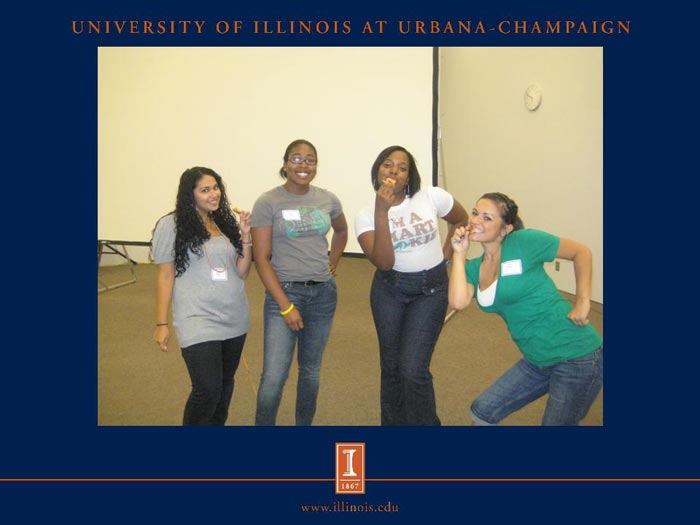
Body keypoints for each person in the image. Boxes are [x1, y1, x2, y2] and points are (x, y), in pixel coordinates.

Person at [448, 192, 603, 426]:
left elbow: (581, 252)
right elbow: (458, 302)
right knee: (482, 412)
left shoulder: (524, 242)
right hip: (536, 358)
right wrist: (459, 254)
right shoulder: (474, 268)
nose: (476, 220)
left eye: (487, 218)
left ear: (506, 228)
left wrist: (583, 301)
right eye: (475, 213)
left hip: (576, 355)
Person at [355, 145, 469, 425]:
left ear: (409, 176)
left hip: (431, 291)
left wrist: (446, 255)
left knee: (413, 369)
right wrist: (381, 212)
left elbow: (460, 219)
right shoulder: (365, 215)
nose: (394, 171)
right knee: (392, 367)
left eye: (402, 168)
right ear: (377, 170)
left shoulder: (431, 196)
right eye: (387, 164)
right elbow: (384, 262)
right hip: (390, 290)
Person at [251, 139, 348, 426]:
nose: (303, 165)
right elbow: (261, 259)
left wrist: (332, 261)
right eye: (296, 158)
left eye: (310, 159)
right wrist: (285, 306)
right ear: (285, 164)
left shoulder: (328, 199)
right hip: (285, 293)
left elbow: (341, 231)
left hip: (323, 295)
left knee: (310, 372)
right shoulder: (268, 202)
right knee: (274, 376)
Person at [151, 166, 252, 425]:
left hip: (234, 316)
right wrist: (161, 323)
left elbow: (241, 271)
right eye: (205, 190)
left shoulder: (223, 222)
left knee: (224, 385)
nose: (214, 194)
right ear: (190, 194)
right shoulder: (171, 225)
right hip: (197, 318)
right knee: (207, 389)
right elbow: (165, 275)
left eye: (216, 187)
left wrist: (245, 236)